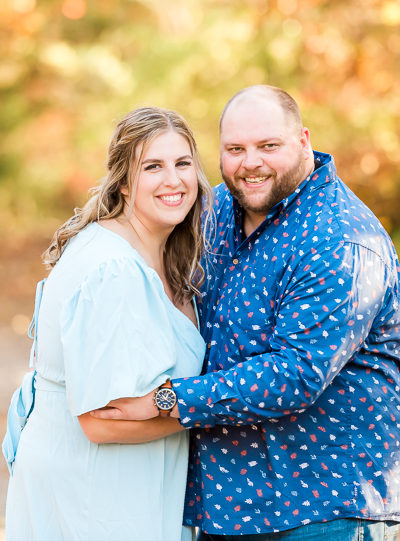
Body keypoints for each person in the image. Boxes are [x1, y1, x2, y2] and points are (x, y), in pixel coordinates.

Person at [92, 86, 400, 540]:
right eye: (235, 149)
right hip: (228, 506)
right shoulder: (216, 212)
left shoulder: (340, 240)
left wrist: (164, 399)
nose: (250, 162)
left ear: (303, 140)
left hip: (321, 509)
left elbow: (293, 374)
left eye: (268, 146)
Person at [4, 106, 213, 541]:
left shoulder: (158, 253)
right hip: (95, 492)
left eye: (183, 163)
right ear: (123, 180)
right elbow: (99, 421)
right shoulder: (113, 269)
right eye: (153, 166)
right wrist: (209, 412)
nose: (173, 180)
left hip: (125, 484)